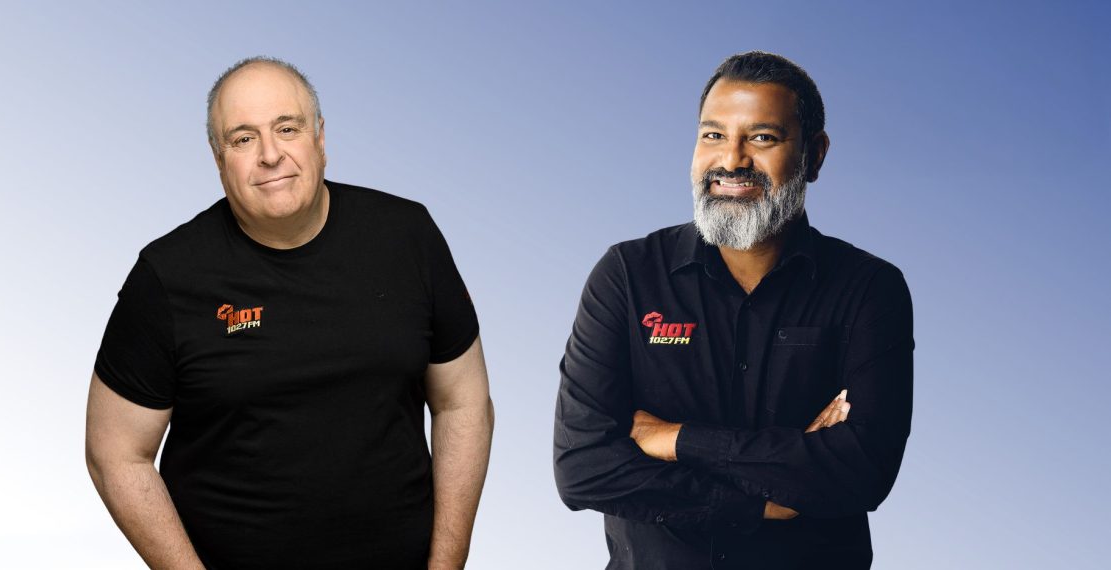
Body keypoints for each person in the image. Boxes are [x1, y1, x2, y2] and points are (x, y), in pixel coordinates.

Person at [86, 57, 494, 569]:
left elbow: (463, 402)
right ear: (218, 158)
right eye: (243, 138)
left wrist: (447, 565)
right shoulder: (166, 277)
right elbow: (115, 455)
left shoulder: (408, 236)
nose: (270, 154)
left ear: (320, 138)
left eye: (287, 128)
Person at [553, 51, 913, 569]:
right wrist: (763, 502)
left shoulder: (869, 288)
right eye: (713, 135)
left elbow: (861, 472)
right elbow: (583, 467)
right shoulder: (628, 275)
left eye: (762, 138)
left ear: (814, 155)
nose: (732, 160)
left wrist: (673, 439)